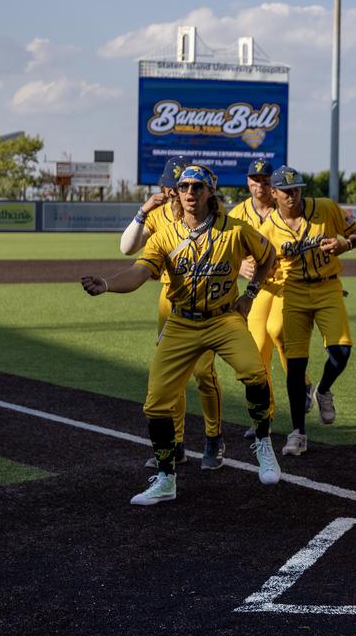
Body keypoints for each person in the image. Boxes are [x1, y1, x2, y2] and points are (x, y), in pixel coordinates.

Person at [81, 164, 282, 503]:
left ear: (210, 192)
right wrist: (106, 284)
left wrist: (250, 295)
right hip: (181, 323)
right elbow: (138, 272)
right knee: (156, 403)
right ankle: (165, 478)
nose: (190, 193)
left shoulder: (235, 230)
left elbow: (268, 256)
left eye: (198, 187)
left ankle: (263, 443)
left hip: (223, 319)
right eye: (185, 186)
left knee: (254, 371)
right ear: (178, 192)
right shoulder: (164, 236)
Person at [118, 156, 224, 470]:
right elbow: (126, 248)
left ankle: (214, 439)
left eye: (187, 186)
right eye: (174, 186)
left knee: (204, 373)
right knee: (173, 376)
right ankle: (176, 445)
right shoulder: (161, 213)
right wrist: (142, 212)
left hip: (205, 297)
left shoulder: (210, 212)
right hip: (171, 300)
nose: (179, 193)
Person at [258, 166, 356, 456]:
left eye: (297, 189)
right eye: (286, 190)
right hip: (293, 292)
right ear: (274, 193)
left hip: (327, 286)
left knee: (341, 351)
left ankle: (323, 390)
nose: (292, 195)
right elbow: (261, 261)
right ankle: (298, 433)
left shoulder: (326, 208)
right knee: (295, 364)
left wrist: (347, 243)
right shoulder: (268, 227)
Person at [229, 159, 313, 440]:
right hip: (258, 289)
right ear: (248, 182)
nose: (260, 184)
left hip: (286, 285)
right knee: (257, 350)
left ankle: (304, 385)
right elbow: (225, 247)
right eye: (255, 179)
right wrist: (239, 266)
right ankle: (264, 416)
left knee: (281, 336)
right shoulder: (238, 213)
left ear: (274, 185)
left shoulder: (286, 208)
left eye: (265, 180)